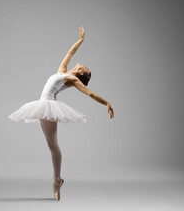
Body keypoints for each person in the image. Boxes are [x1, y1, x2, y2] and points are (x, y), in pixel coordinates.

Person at [8, 26, 114, 200]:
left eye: (84, 66)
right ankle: (57, 181)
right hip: (43, 104)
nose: (81, 62)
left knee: (54, 147)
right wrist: (81, 40)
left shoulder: (71, 79)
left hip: (48, 105)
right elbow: (70, 53)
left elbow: (90, 93)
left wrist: (107, 103)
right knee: (52, 146)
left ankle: (56, 182)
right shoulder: (62, 72)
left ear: (80, 72)